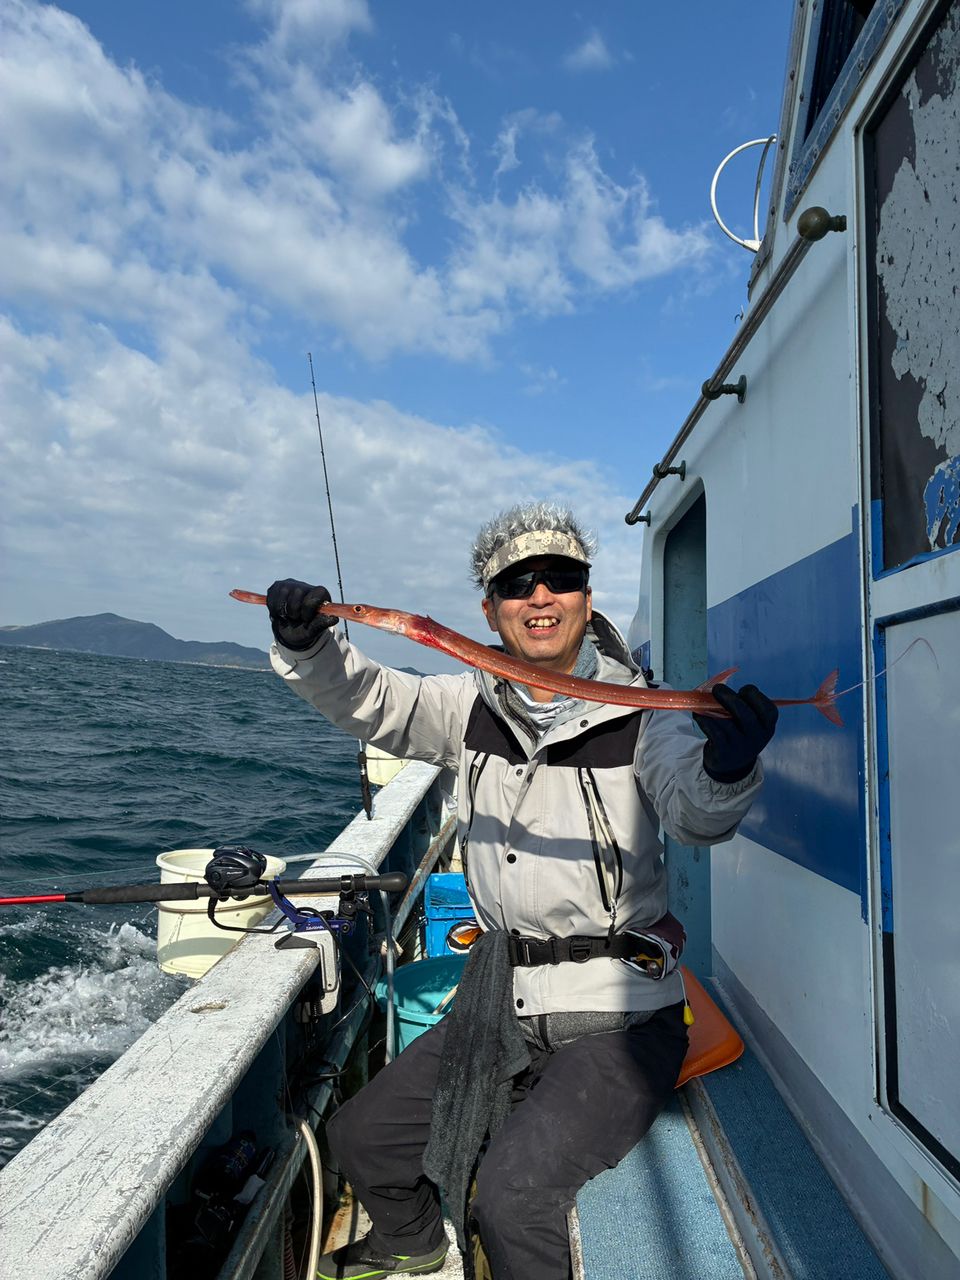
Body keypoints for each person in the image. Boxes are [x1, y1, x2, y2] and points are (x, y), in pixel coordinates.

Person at [265, 501, 777, 1280]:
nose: (540, 596)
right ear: (489, 610)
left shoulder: (646, 713)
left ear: (586, 597)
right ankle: (410, 1239)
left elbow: (695, 811)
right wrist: (309, 646)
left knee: (512, 1195)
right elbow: (371, 698)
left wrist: (729, 769)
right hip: (501, 996)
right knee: (359, 1137)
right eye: (517, 584)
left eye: (561, 578)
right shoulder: (463, 706)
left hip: (622, 1014)